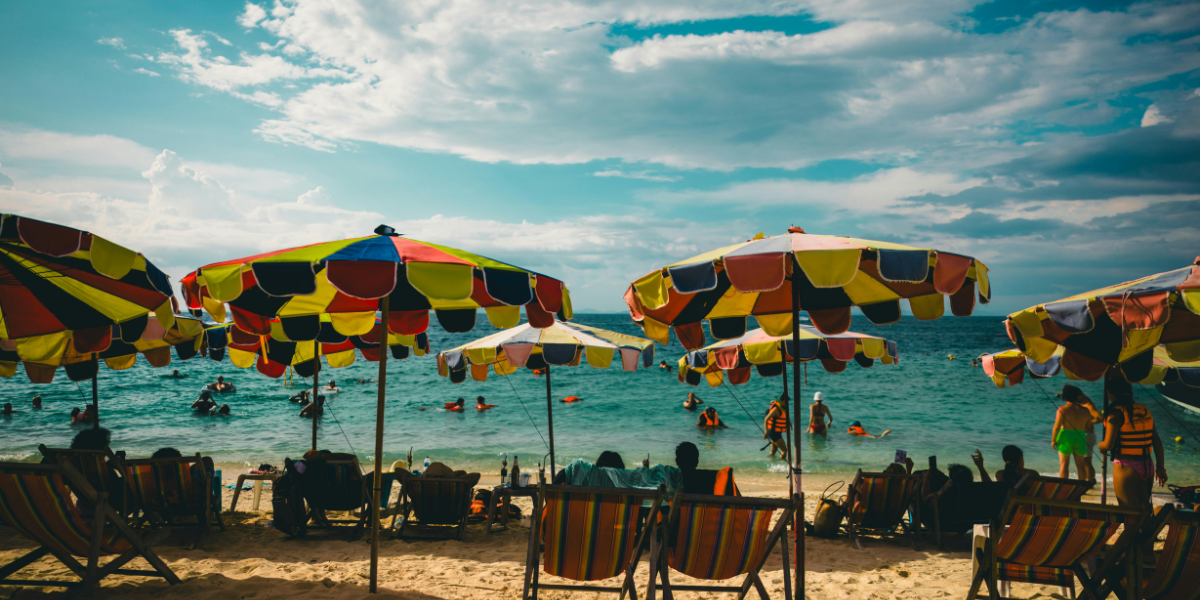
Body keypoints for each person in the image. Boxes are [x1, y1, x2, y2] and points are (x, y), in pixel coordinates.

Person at [1097, 374, 1167, 520]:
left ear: (1111, 393)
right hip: (1147, 465)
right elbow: (1158, 443)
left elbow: (1108, 445)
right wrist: (1161, 468)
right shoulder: (1143, 410)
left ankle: (1130, 542)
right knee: (1144, 512)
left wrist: (1100, 446)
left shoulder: (1115, 414)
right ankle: (1145, 543)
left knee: (1130, 516)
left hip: (1126, 467)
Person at [1053, 384, 1101, 481]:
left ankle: (1064, 486)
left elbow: (1056, 427)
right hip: (1080, 435)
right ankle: (1081, 486)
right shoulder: (1085, 410)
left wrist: (1053, 440)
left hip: (1065, 435)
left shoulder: (1062, 409)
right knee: (1081, 465)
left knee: (1064, 465)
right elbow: (1088, 426)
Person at [972, 446, 1038, 486]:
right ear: (1020, 458)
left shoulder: (1000, 474)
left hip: (1005, 508)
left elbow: (989, 487)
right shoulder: (1032, 474)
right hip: (1028, 508)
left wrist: (980, 466)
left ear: (1004, 460)